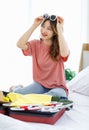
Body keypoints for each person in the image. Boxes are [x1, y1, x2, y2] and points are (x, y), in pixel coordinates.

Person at [11, 13, 70, 98]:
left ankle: (41, 98)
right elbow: (19, 44)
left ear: (55, 32)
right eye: (43, 26)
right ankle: (16, 88)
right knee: (17, 94)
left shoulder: (60, 46)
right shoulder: (35, 44)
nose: (44, 30)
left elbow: (64, 53)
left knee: (56, 95)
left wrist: (59, 29)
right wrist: (34, 25)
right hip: (40, 85)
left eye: (49, 29)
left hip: (58, 88)